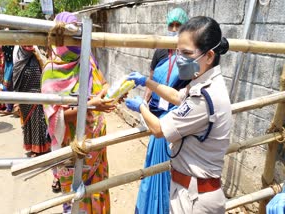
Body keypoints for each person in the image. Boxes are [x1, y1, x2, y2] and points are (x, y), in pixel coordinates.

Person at [125, 16, 231, 214]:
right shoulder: (205, 82)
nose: (179, 58)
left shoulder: (203, 97)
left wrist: (141, 107)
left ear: (209, 56)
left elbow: (158, 129)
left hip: (194, 199)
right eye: (178, 51)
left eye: (187, 53)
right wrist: (146, 82)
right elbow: (177, 96)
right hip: (192, 190)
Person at [41, 12, 116, 214]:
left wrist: (113, 92)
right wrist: (91, 105)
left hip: (97, 146)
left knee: (98, 192)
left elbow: (104, 83)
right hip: (73, 150)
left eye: (78, 34)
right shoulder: (51, 70)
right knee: (76, 200)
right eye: (71, 34)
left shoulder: (88, 60)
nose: (76, 40)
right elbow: (53, 116)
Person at [136, 8, 189, 214]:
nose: (174, 29)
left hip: (177, 116)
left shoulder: (186, 54)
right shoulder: (159, 52)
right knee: (154, 162)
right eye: (171, 25)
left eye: (179, 25)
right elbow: (151, 80)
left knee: (171, 165)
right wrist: (143, 103)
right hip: (156, 112)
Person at [12, 45, 51, 157]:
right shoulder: (17, 52)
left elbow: (44, 66)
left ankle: (40, 148)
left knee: (38, 119)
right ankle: (32, 146)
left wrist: (37, 54)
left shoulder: (36, 50)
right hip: (23, 92)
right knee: (27, 121)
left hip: (37, 91)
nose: (28, 45)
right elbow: (15, 73)